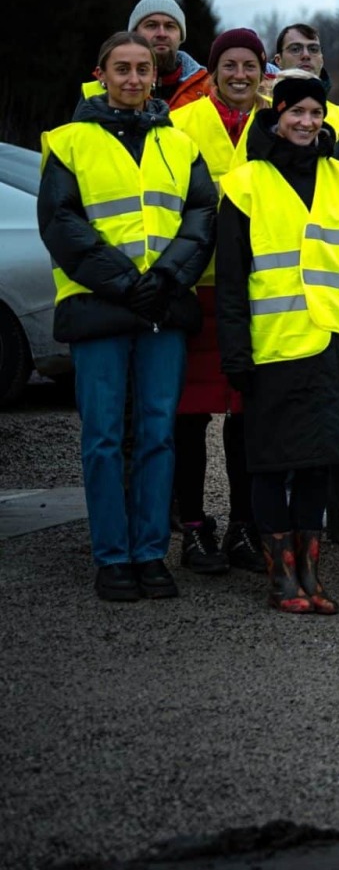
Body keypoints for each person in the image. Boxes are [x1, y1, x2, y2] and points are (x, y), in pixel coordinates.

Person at [41, 31, 217, 601]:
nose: (135, 78)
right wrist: (125, 283)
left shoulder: (179, 143)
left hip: (161, 306)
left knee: (158, 434)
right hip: (99, 308)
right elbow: (62, 225)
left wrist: (164, 277)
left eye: (143, 69)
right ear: (101, 74)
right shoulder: (68, 142)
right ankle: (112, 557)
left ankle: (150, 554)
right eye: (123, 68)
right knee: (103, 437)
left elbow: (199, 216)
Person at [214, 74, 339, 615]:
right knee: (272, 466)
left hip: (333, 342)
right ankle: (281, 579)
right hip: (273, 347)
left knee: (319, 465)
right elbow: (231, 280)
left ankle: (311, 575)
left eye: (315, 113)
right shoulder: (245, 183)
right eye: (296, 112)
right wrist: (236, 352)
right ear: (275, 116)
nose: (306, 122)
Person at [170, 27, 265, 572]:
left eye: (249, 66)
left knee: (246, 415)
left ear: (261, 71)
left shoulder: (274, 122)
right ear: (212, 70)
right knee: (190, 416)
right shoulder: (181, 123)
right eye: (229, 65)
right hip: (196, 286)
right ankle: (193, 527)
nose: (239, 76)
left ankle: (244, 527)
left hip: (256, 289)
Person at [97, 0, 212, 112]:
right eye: (151, 25)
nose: (162, 34)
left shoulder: (208, 90)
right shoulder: (100, 89)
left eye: (170, 26)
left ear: (180, 37)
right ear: (134, 34)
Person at [274, 25, 339, 133]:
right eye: (295, 49)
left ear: (322, 60)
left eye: (313, 49)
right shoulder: (261, 110)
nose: (306, 55)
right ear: (279, 60)